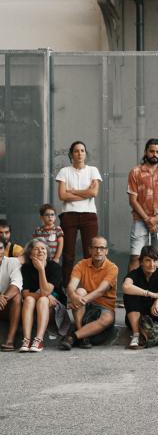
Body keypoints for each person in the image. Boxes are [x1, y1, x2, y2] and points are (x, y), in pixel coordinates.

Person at [60, 236, 118, 350]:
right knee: (79, 291)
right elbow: (71, 286)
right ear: (89, 250)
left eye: (102, 248)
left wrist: (81, 300)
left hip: (105, 306)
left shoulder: (112, 268)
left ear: (107, 251)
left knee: (108, 319)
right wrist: (73, 296)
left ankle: (74, 336)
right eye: (95, 247)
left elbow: (101, 290)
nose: (98, 251)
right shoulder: (81, 264)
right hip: (85, 305)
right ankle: (83, 335)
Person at [127, 138, 158, 271]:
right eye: (152, 151)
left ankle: (156, 290)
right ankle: (131, 290)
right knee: (135, 257)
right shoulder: (135, 172)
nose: (155, 154)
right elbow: (132, 200)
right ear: (145, 152)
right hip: (140, 221)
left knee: (157, 259)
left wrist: (156, 219)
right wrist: (148, 220)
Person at [55, 140, 101, 280]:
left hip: (89, 216)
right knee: (68, 255)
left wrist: (73, 192)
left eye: (82, 151)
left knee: (91, 254)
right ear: (71, 154)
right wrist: (85, 192)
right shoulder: (64, 171)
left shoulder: (93, 170)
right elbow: (62, 195)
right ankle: (66, 289)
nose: (80, 154)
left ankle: (89, 287)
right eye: (76, 151)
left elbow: (93, 193)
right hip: (69, 215)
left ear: (85, 154)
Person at [122, 244, 158, 349]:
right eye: (148, 260)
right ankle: (136, 335)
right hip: (138, 317)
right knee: (130, 293)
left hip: (157, 314)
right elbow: (126, 286)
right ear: (141, 262)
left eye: (155, 261)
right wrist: (151, 294)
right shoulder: (134, 274)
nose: (152, 264)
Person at [18, 239, 64, 353]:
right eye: (36, 248)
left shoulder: (54, 267)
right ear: (30, 253)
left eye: (43, 248)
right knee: (29, 299)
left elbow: (45, 292)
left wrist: (41, 270)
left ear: (47, 252)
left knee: (43, 300)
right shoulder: (25, 268)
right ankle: (27, 340)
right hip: (34, 303)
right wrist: (45, 295)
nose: (40, 251)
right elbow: (25, 293)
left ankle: (39, 340)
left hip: (54, 307)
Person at [0, 241, 22, 351]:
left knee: (17, 296)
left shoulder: (13, 262)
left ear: (4, 250)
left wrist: (2, 299)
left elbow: (16, 284)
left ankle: (10, 340)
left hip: (6, 308)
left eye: (0, 248)